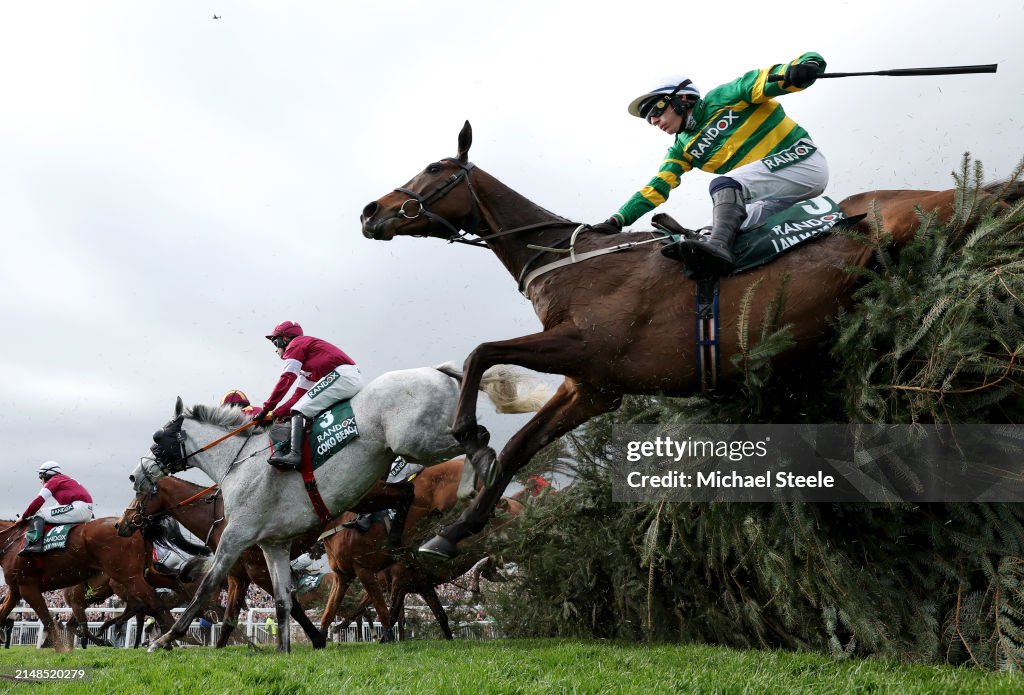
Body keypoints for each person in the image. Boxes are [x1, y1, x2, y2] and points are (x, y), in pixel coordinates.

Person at [592, 53, 828, 275]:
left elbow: (770, 78)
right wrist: (617, 220)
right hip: (772, 197)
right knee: (703, 235)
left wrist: (807, 66)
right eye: (647, 119)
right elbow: (656, 188)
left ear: (682, 98)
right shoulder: (681, 148)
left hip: (804, 162)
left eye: (655, 110)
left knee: (724, 185)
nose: (653, 121)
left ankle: (720, 249)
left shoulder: (726, 96)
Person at [249, 321, 362, 469]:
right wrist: (274, 415)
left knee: (299, 409)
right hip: (345, 377)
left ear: (285, 339)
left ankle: (295, 455)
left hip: (343, 376)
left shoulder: (295, 344)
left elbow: (287, 378)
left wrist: (265, 409)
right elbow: (297, 397)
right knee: (299, 406)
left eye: (275, 342)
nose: (276, 349)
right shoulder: (307, 365)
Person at [18, 461, 95, 555]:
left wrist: (24, 517)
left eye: (40, 476)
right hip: (87, 511)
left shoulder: (53, 481)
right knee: (47, 513)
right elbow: (58, 507)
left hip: (79, 508)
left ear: (46, 474)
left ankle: (35, 545)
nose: (41, 480)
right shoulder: (65, 479)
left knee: (38, 513)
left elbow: (38, 501)